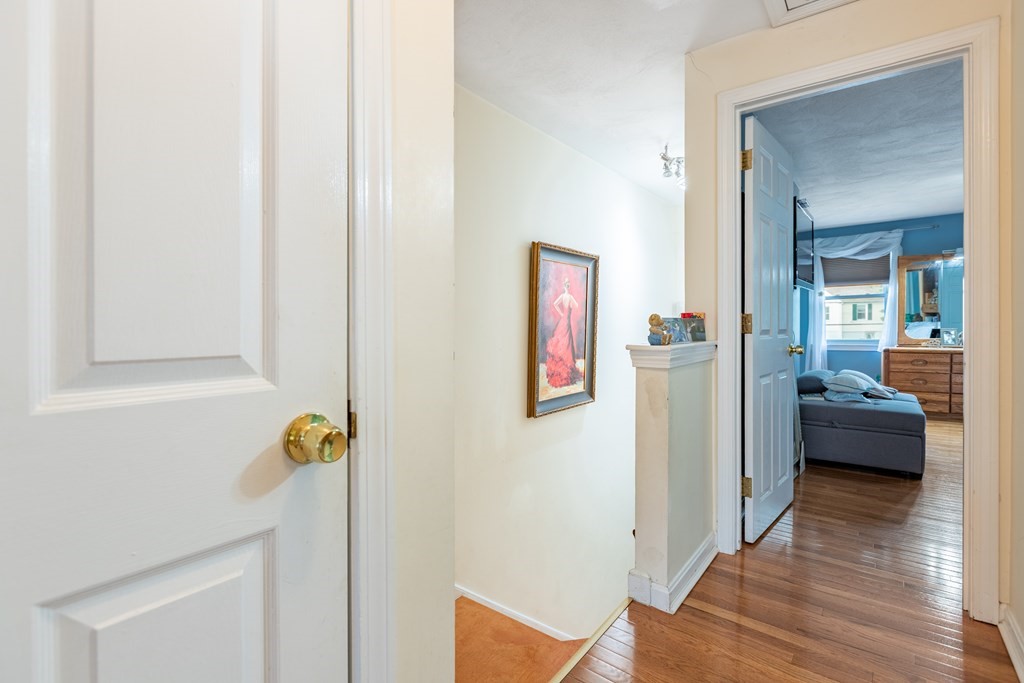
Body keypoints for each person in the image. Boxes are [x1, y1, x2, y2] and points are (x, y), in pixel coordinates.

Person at [544, 277, 583, 388]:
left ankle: (563, 365)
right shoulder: (569, 297)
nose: (568, 285)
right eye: (567, 284)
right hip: (565, 321)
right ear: (566, 286)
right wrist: (565, 311)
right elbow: (575, 306)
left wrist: (561, 313)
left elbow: (555, 304)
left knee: (564, 340)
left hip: (564, 320)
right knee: (565, 341)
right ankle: (564, 366)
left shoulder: (564, 296)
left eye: (567, 284)